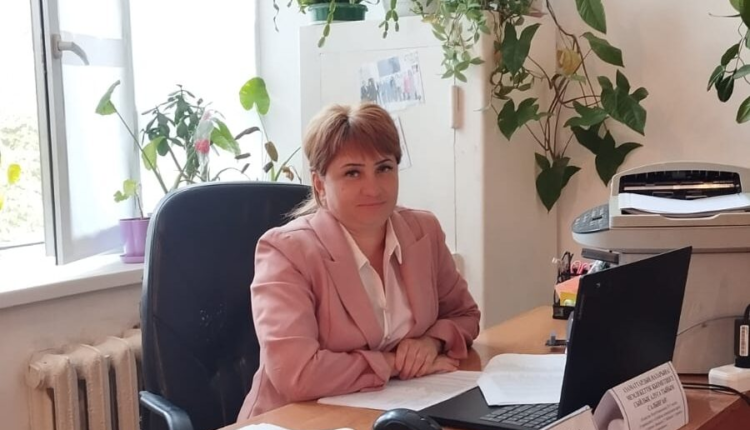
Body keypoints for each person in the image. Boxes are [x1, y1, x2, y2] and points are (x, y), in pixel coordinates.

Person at [237, 103, 481, 419]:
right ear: (320, 185)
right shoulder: (287, 251)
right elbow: (296, 374)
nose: (373, 188)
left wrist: (431, 342)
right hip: (295, 419)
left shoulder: (423, 232)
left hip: (392, 410)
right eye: (352, 173)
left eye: (384, 168)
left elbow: (465, 315)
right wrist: (392, 363)